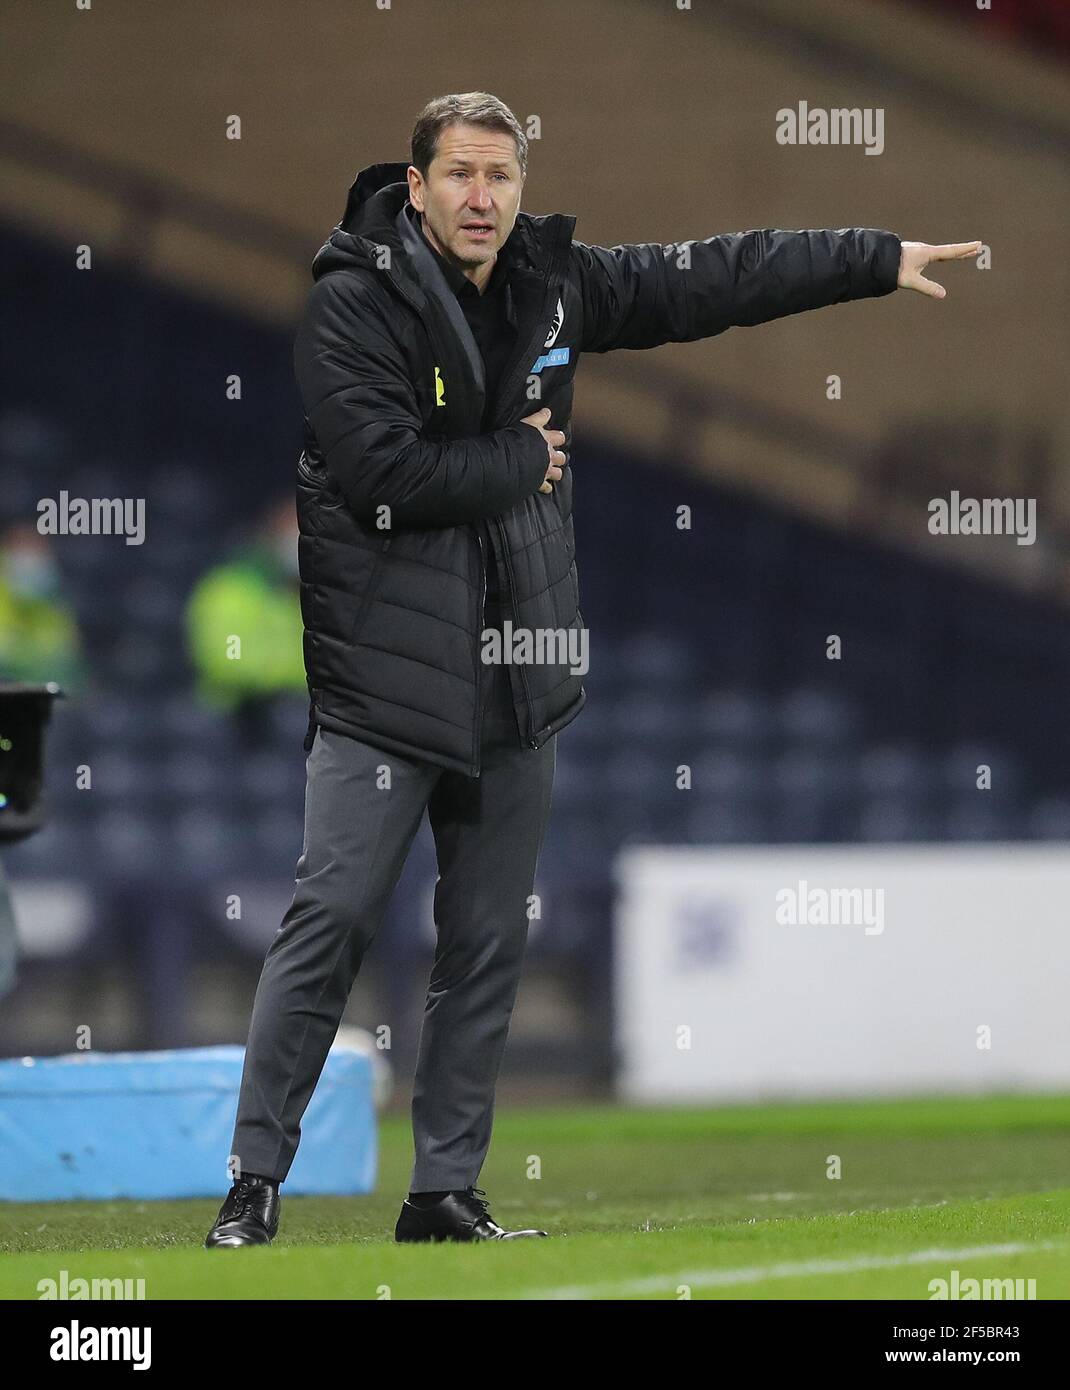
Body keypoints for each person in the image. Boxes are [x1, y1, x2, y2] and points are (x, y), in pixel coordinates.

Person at [205, 91, 979, 1248]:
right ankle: (253, 1182)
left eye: (499, 178)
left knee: (484, 945)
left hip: (516, 676)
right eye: (460, 176)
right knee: (330, 923)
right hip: (381, 685)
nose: (481, 198)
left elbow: (707, 279)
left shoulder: (551, 285)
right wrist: (521, 455)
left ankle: (442, 1193)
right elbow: (379, 475)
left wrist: (871, 259)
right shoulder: (348, 303)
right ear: (413, 188)